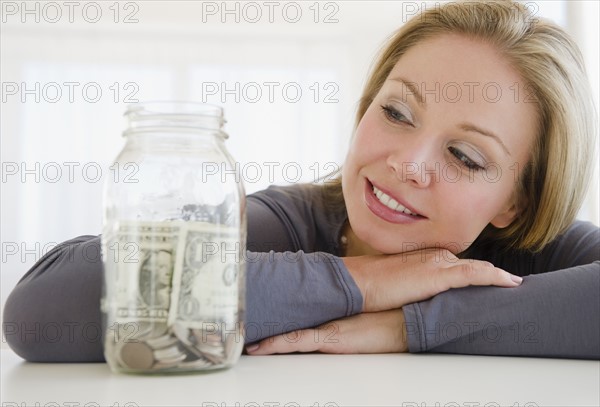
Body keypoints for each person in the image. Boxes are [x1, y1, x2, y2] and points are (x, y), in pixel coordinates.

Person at [3, 0, 599, 362]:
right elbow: (42, 309)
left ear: (517, 203)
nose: (407, 164)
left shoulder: (535, 253)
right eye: (395, 112)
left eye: (465, 156)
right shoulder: (291, 219)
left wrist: (408, 326)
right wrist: (359, 282)